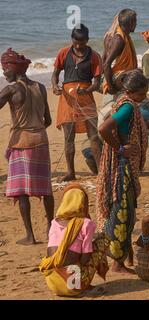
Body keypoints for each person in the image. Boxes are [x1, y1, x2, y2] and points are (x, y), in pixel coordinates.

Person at [0, 48, 54, 245]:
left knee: (22, 190)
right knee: (45, 188)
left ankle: (30, 235)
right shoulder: (40, 87)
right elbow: (47, 119)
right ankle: (51, 228)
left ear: (12, 69)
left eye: (5, 69)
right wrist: (35, 128)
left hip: (21, 143)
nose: (4, 73)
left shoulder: (11, 89)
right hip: (41, 139)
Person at [96, 69, 148, 274]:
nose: (144, 98)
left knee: (127, 212)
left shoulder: (126, 103)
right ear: (131, 91)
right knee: (122, 213)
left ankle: (123, 259)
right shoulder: (127, 107)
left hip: (125, 165)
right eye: (142, 94)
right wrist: (120, 148)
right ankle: (117, 263)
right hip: (122, 167)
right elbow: (104, 129)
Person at [51, 24, 103, 181]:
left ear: (87, 40)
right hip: (67, 98)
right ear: (72, 39)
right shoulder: (64, 52)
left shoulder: (94, 56)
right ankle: (70, 172)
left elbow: (97, 82)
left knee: (93, 136)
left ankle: (101, 171)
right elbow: (55, 74)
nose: (79, 45)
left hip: (86, 97)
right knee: (68, 137)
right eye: (75, 41)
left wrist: (87, 90)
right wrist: (55, 86)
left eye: (82, 42)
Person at [39, 183, 109, 296]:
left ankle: (76, 282)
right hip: (72, 285)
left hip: (53, 283)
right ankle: (83, 286)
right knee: (102, 240)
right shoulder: (86, 223)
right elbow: (85, 259)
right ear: (83, 204)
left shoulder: (54, 222)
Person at [99, 9, 138, 125]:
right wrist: (110, 86)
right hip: (118, 78)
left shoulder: (125, 36)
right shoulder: (119, 39)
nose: (136, 24)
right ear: (130, 23)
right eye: (135, 21)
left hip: (123, 77)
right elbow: (106, 63)